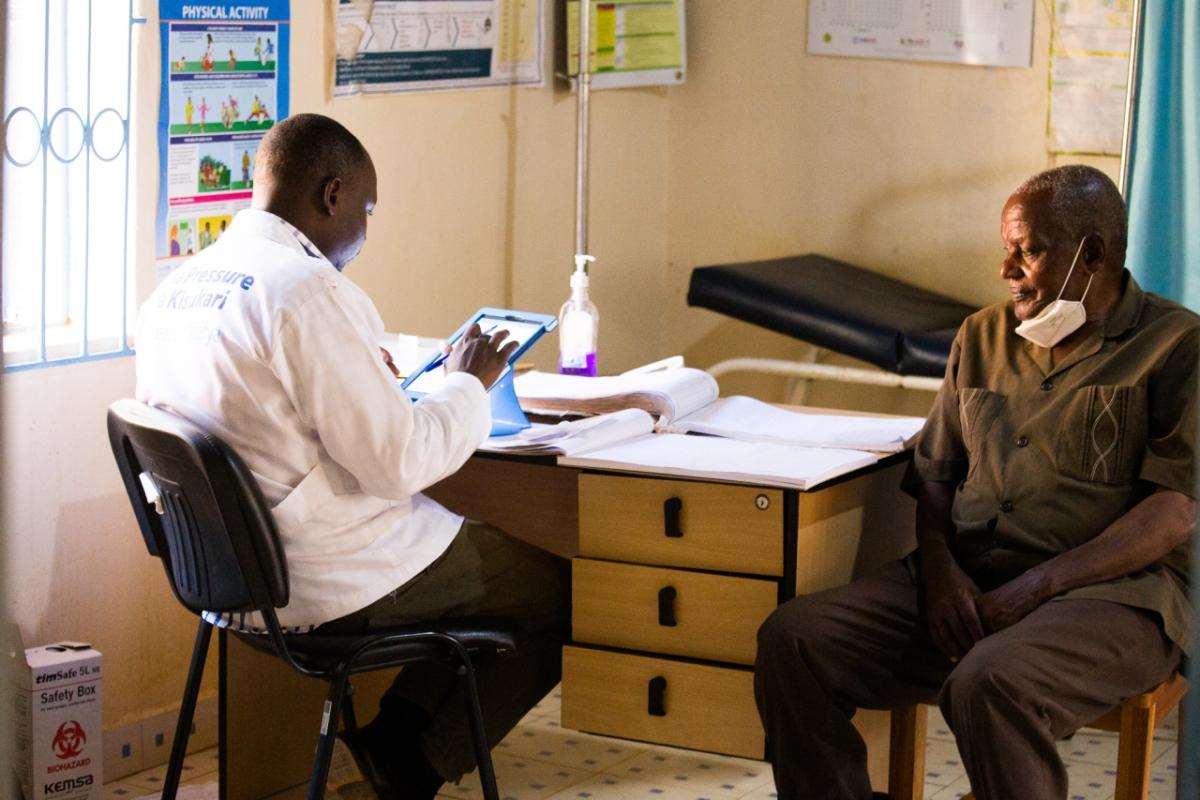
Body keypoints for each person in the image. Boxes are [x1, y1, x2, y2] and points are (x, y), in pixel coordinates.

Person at [135, 113, 569, 800]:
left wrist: (371, 378)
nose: (364, 236)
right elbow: (399, 462)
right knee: (561, 591)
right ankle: (412, 760)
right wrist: (468, 381)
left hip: (224, 582)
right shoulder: (307, 291)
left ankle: (397, 740)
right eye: (365, 211)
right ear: (331, 195)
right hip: (325, 579)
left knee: (493, 571)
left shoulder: (176, 290)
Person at [754, 164, 1197, 800]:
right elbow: (935, 476)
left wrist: (1039, 584)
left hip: (1112, 598)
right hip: (968, 583)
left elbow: (1174, 512)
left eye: (1028, 250)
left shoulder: (1177, 346)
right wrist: (939, 574)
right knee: (793, 640)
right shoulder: (983, 335)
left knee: (988, 682)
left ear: (1091, 253)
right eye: (1006, 249)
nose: (1006, 269)